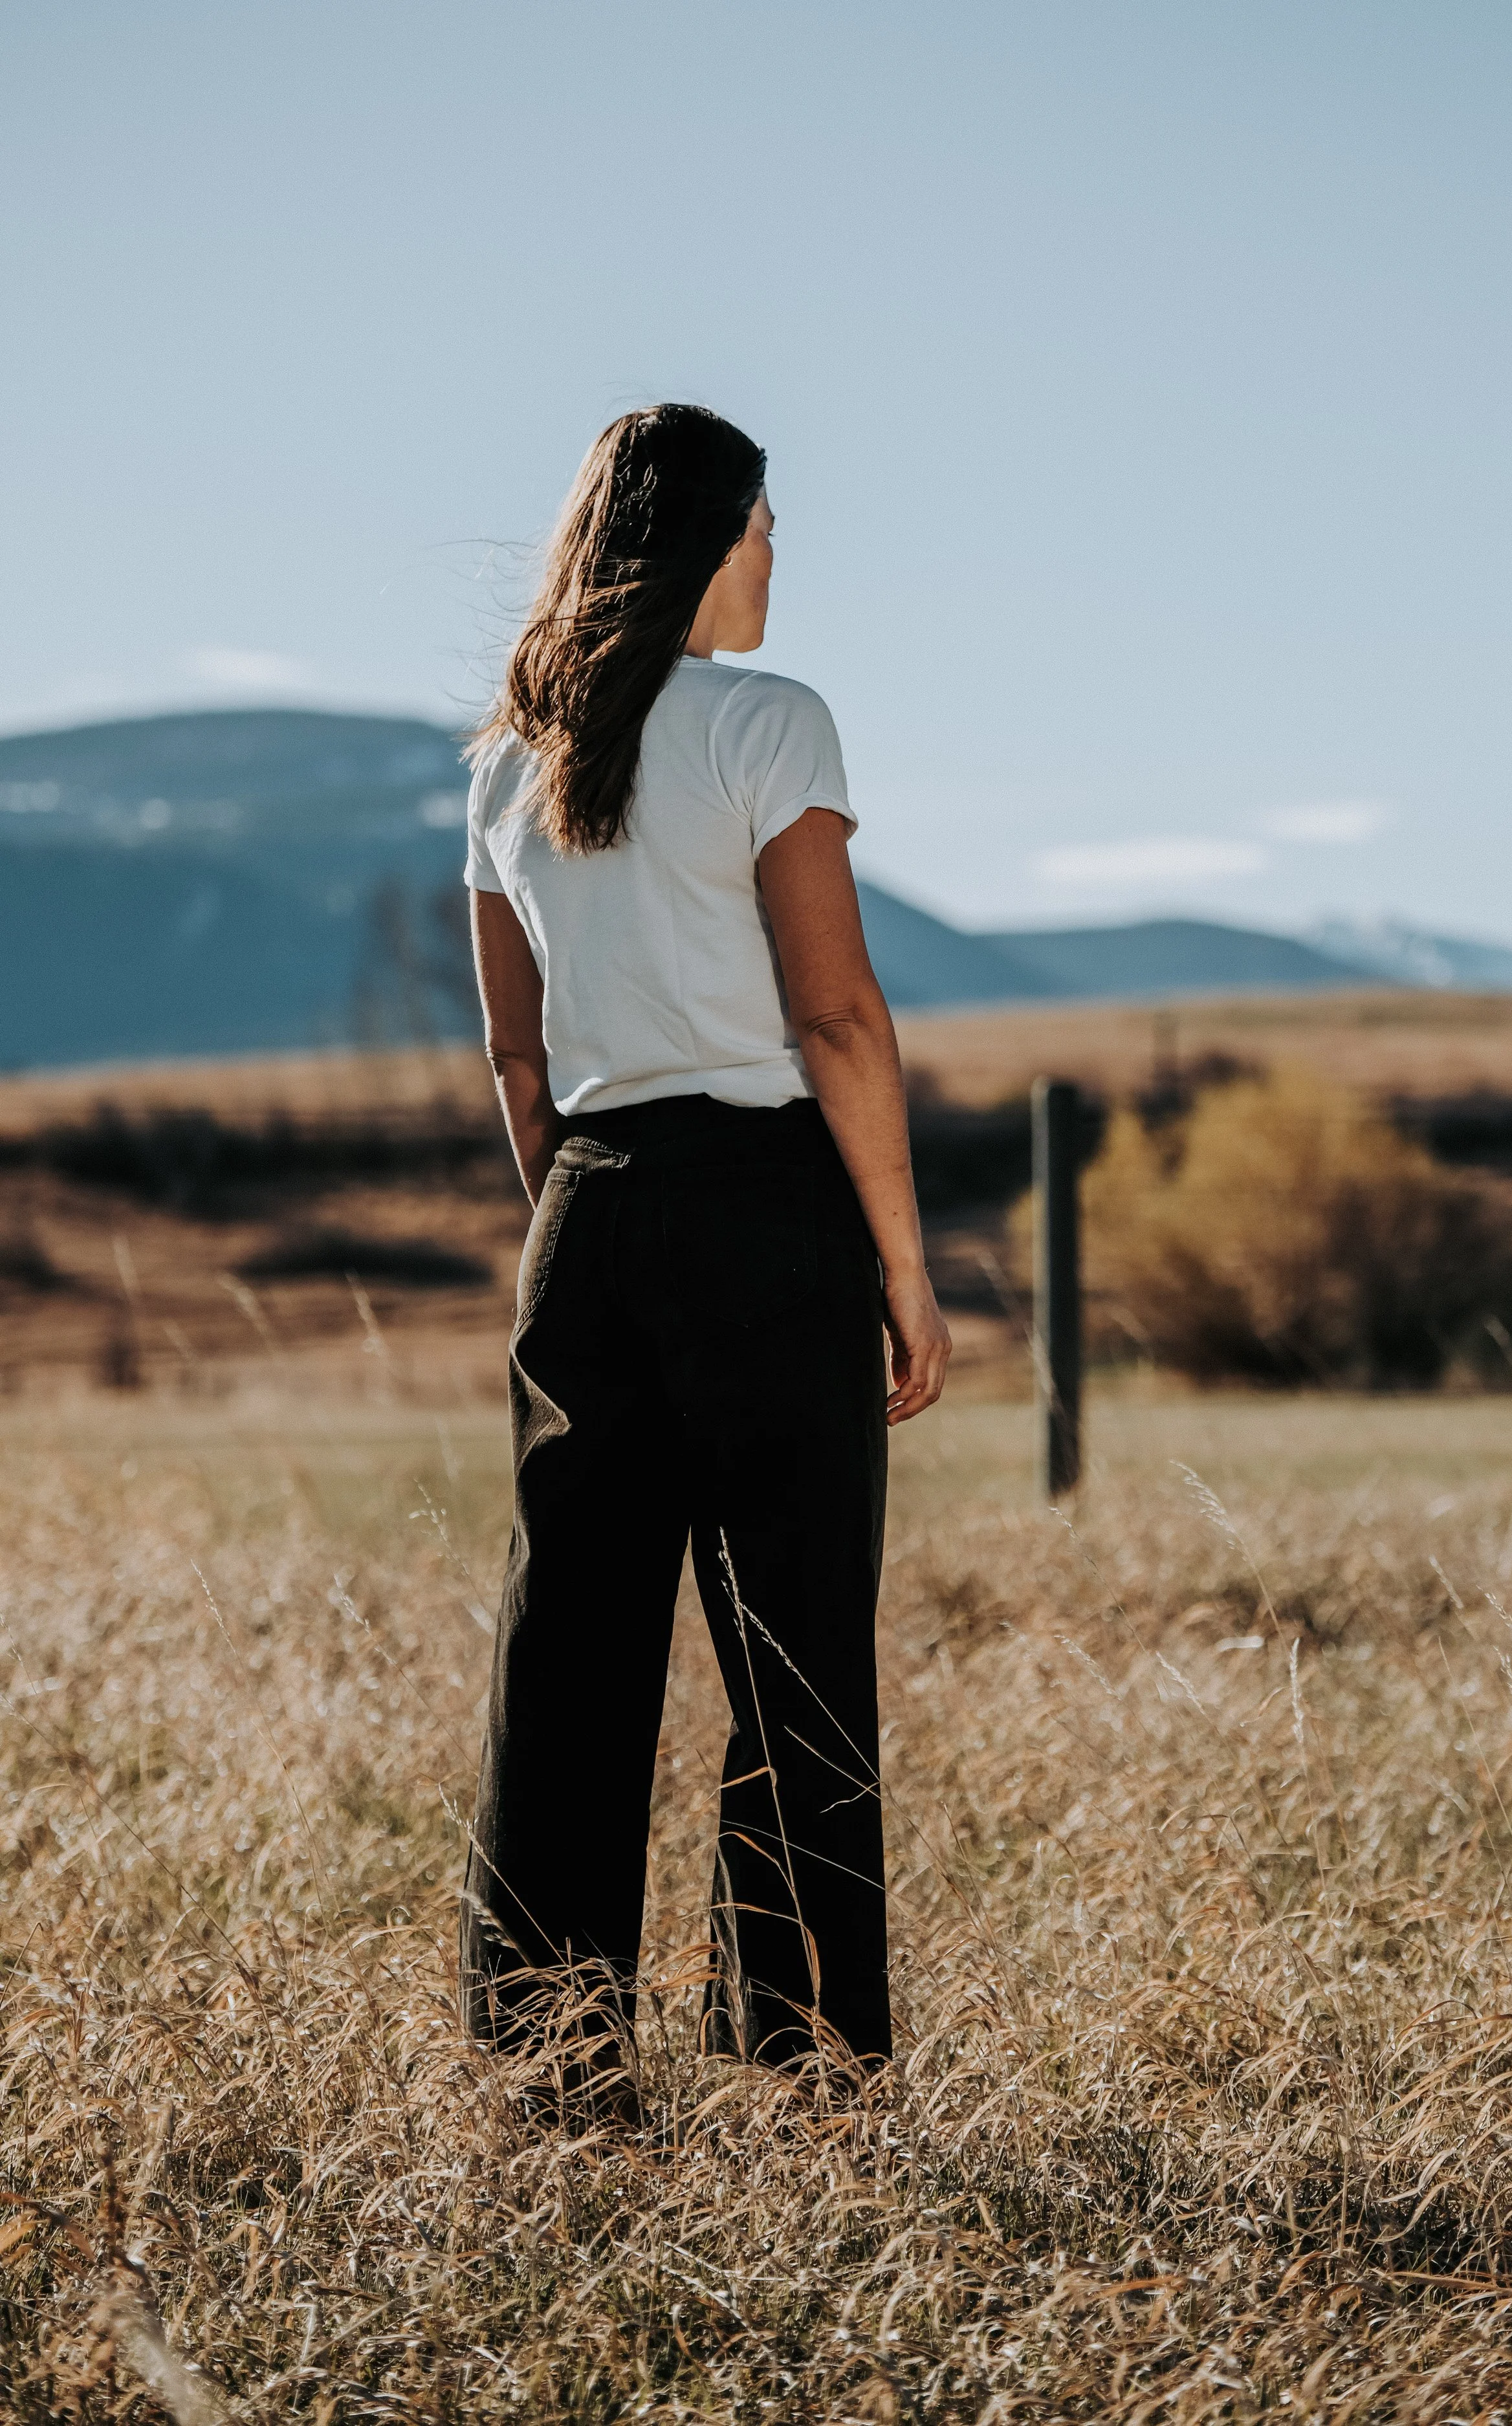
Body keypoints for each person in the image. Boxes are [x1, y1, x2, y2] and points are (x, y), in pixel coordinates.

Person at [459, 403, 950, 2101]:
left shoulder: (509, 766)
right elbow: (834, 1012)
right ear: (708, 540)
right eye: (763, 525)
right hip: (765, 1209)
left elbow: (519, 1064)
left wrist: (582, 1228)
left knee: (568, 1663)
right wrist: (899, 1261)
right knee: (793, 1652)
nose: (774, 559)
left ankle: (549, 2076)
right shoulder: (768, 723)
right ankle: (806, 2070)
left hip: (584, 1213)